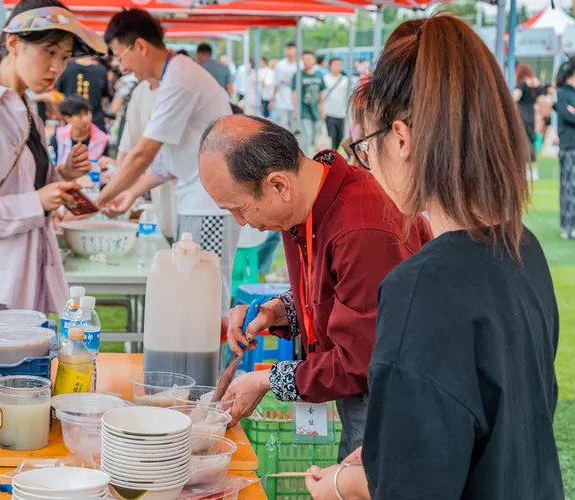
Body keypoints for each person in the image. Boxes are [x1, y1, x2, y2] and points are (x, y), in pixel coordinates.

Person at [304, 16, 563, 500]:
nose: (368, 164)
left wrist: (348, 485)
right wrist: (388, 450)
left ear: (400, 139)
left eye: (365, 148)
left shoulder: (421, 288)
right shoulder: (522, 246)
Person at [200, 115, 431, 460]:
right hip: (368, 391)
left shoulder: (360, 228)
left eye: (240, 208)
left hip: (400, 403)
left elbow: (359, 360)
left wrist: (266, 380)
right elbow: (339, 292)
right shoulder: (307, 205)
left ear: (278, 185)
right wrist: (277, 310)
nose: (242, 222)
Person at [0, 0, 105, 322]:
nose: (57, 67)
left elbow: (18, 185)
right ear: (13, 43)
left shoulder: (24, 106)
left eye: (65, 57)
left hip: (23, 275)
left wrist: (60, 174)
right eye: (50, 51)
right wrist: (37, 201)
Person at [96, 8, 238, 316]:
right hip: (195, 202)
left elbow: (142, 154)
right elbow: (170, 162)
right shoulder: (172, 77)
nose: (122, 67)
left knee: (206, 295)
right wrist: (129, 194)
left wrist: (99, 200)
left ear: (141, 47)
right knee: (192, 294)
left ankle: (216, 364)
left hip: (210, 206)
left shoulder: (179, 79)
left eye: (121, 57)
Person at [115, 76, 177, 241]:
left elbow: (143, 156)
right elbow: (129, 145)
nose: (122, 66)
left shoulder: (178, 90)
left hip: (191, 201)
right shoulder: (140, 91)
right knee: (168, 234)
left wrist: (122, 191)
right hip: (157, 185)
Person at [56, 54, 110, 132]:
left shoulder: (67, 68)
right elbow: (104, 98)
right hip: (95, 121)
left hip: (71, 120)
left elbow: (60, 96)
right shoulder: (101, 70)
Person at [50, 94, 108, 167]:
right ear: (68, 118)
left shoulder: (102, 139)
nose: (86, 119)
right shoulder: (59, 137)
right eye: (80, 116)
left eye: (87, 114)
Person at [292, 50, 326, 157]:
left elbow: (322, 92)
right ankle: (306, 157)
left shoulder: (319, 75)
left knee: (315, 137)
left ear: (314, 60)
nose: (306, 61)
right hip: (304, 110)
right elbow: (294, 92)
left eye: (308, 59)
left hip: (315, 110)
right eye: (304, 59)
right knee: (307, 135)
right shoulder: (298, 75)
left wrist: (322, 108)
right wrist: (296, 109)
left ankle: (315, 157)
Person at [556, 58, 575, 241]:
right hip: (569, 146)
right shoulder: (562, 94)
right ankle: (568, 226)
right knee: (568, 187)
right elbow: (569, 117)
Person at [514, 63, 542, 181]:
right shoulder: (536, 85)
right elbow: (540, 99)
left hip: (522, 114)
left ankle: (525, 170)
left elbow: (515, 97)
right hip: (532, 115)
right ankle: (534, 170)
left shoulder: (521, 84)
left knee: (523, 142)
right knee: (531, 140)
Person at [323, 58, 349, 151]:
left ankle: (335, 153)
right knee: (332, 136)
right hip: (329, 113)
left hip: (342, 113)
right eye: (335, 64)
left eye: (339, 65)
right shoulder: (325, 78)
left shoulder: (346, 80)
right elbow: (321, 95)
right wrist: (322, 110)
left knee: (340, 136)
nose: (338, 67)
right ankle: (332, 155)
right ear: (330, 66)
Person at [272, 41, 298, 130]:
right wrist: (272, 99)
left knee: (295, 128)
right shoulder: (280, 65)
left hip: (295, 103)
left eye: (291, 49)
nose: (289, 52)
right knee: (283, 127)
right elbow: (276, 83)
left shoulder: (300, 65)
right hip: (281, 101)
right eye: (287, 49)